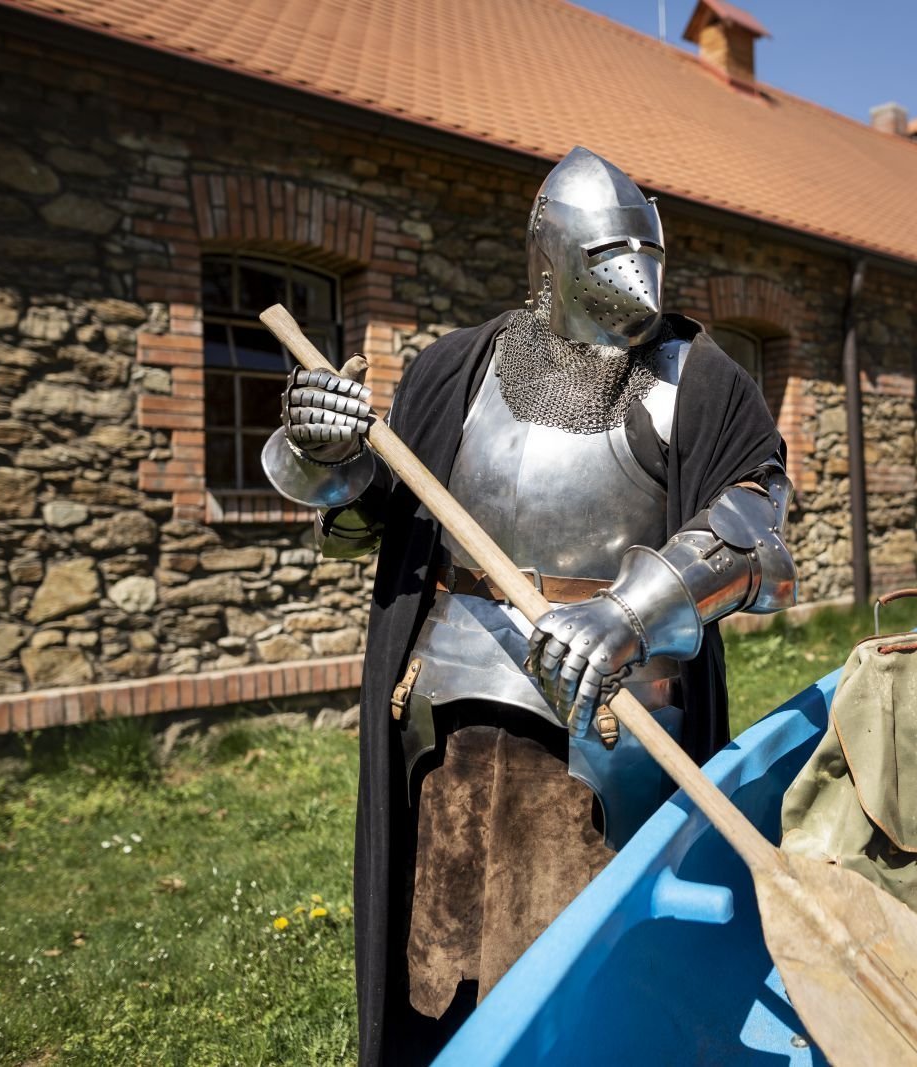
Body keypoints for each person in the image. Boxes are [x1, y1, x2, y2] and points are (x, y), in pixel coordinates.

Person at [262, 146, 797, 1064]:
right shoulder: (456, 371)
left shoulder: (695, 379)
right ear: (550, 259)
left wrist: (629, 611)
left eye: (647, 255)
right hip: (448, 717)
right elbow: (373, 523)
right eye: (605, 257)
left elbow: (759, 536)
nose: (635, 280)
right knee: (440, 958)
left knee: (597, 973)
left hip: (615, 721)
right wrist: (321, 455)